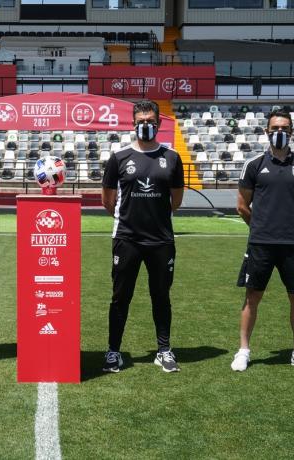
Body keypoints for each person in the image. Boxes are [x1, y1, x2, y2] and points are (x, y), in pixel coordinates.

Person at [231, 109, 294, 374]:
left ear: (291, 132)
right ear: (266, 132)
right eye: (274, 128)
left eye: (284, 128)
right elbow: (242, 206)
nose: (279, 132)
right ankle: (244, 351)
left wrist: (289, 226)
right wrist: (262, 227)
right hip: (261, 243)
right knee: (252, 297)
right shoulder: (254, 165)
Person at [101, 100, 184, 373]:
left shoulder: (171, 158)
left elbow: (176, 200)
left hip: (161, 241)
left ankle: (163, 350)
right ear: (133, 123)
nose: (145, 125)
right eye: (140, 120)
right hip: (126, 239)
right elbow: (108, 200)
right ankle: (113, 351)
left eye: (150, 121)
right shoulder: (119, 157)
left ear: (159, 124)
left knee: (161, 296)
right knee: (120, 297)